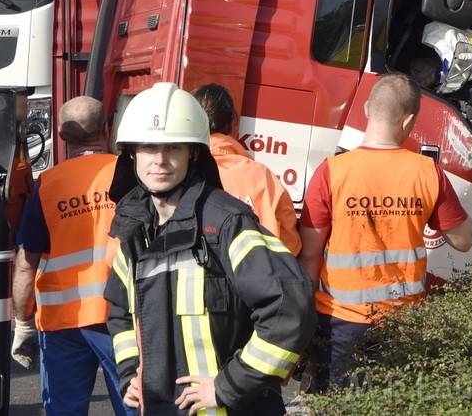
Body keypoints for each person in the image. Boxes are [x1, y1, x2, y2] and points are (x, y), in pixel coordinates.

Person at [104, 82, 315, 415]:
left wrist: (230, 385)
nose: (160, 160)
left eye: (174, 148)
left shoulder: (226, 223)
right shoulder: (135, 231)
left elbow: (290, 309)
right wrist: (130, 371)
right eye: (148, 147)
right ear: (132, 154)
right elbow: (120, 311)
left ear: (194, 153)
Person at [297, 73, 472, 392]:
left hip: (338, 323)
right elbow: (463, 241)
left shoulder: (331, 172)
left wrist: (303, 321)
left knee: (335, 405)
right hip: (400, 324)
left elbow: (309, 254)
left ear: (366, 109)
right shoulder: (427, 173)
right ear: (409, 121)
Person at [12, 96, 135, 416]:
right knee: (135, 405)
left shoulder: (47, 185)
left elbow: (27, 263)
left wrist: (23, 321)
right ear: (108, 130)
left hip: (62, 321)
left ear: (63, 137)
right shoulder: (131, 175)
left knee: (64, 410)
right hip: (122, 317)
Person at [191, 83, 301, 255]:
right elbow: (290, 245)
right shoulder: (262, 176)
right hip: (258, 274)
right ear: (231, 123)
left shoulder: (184, 173)